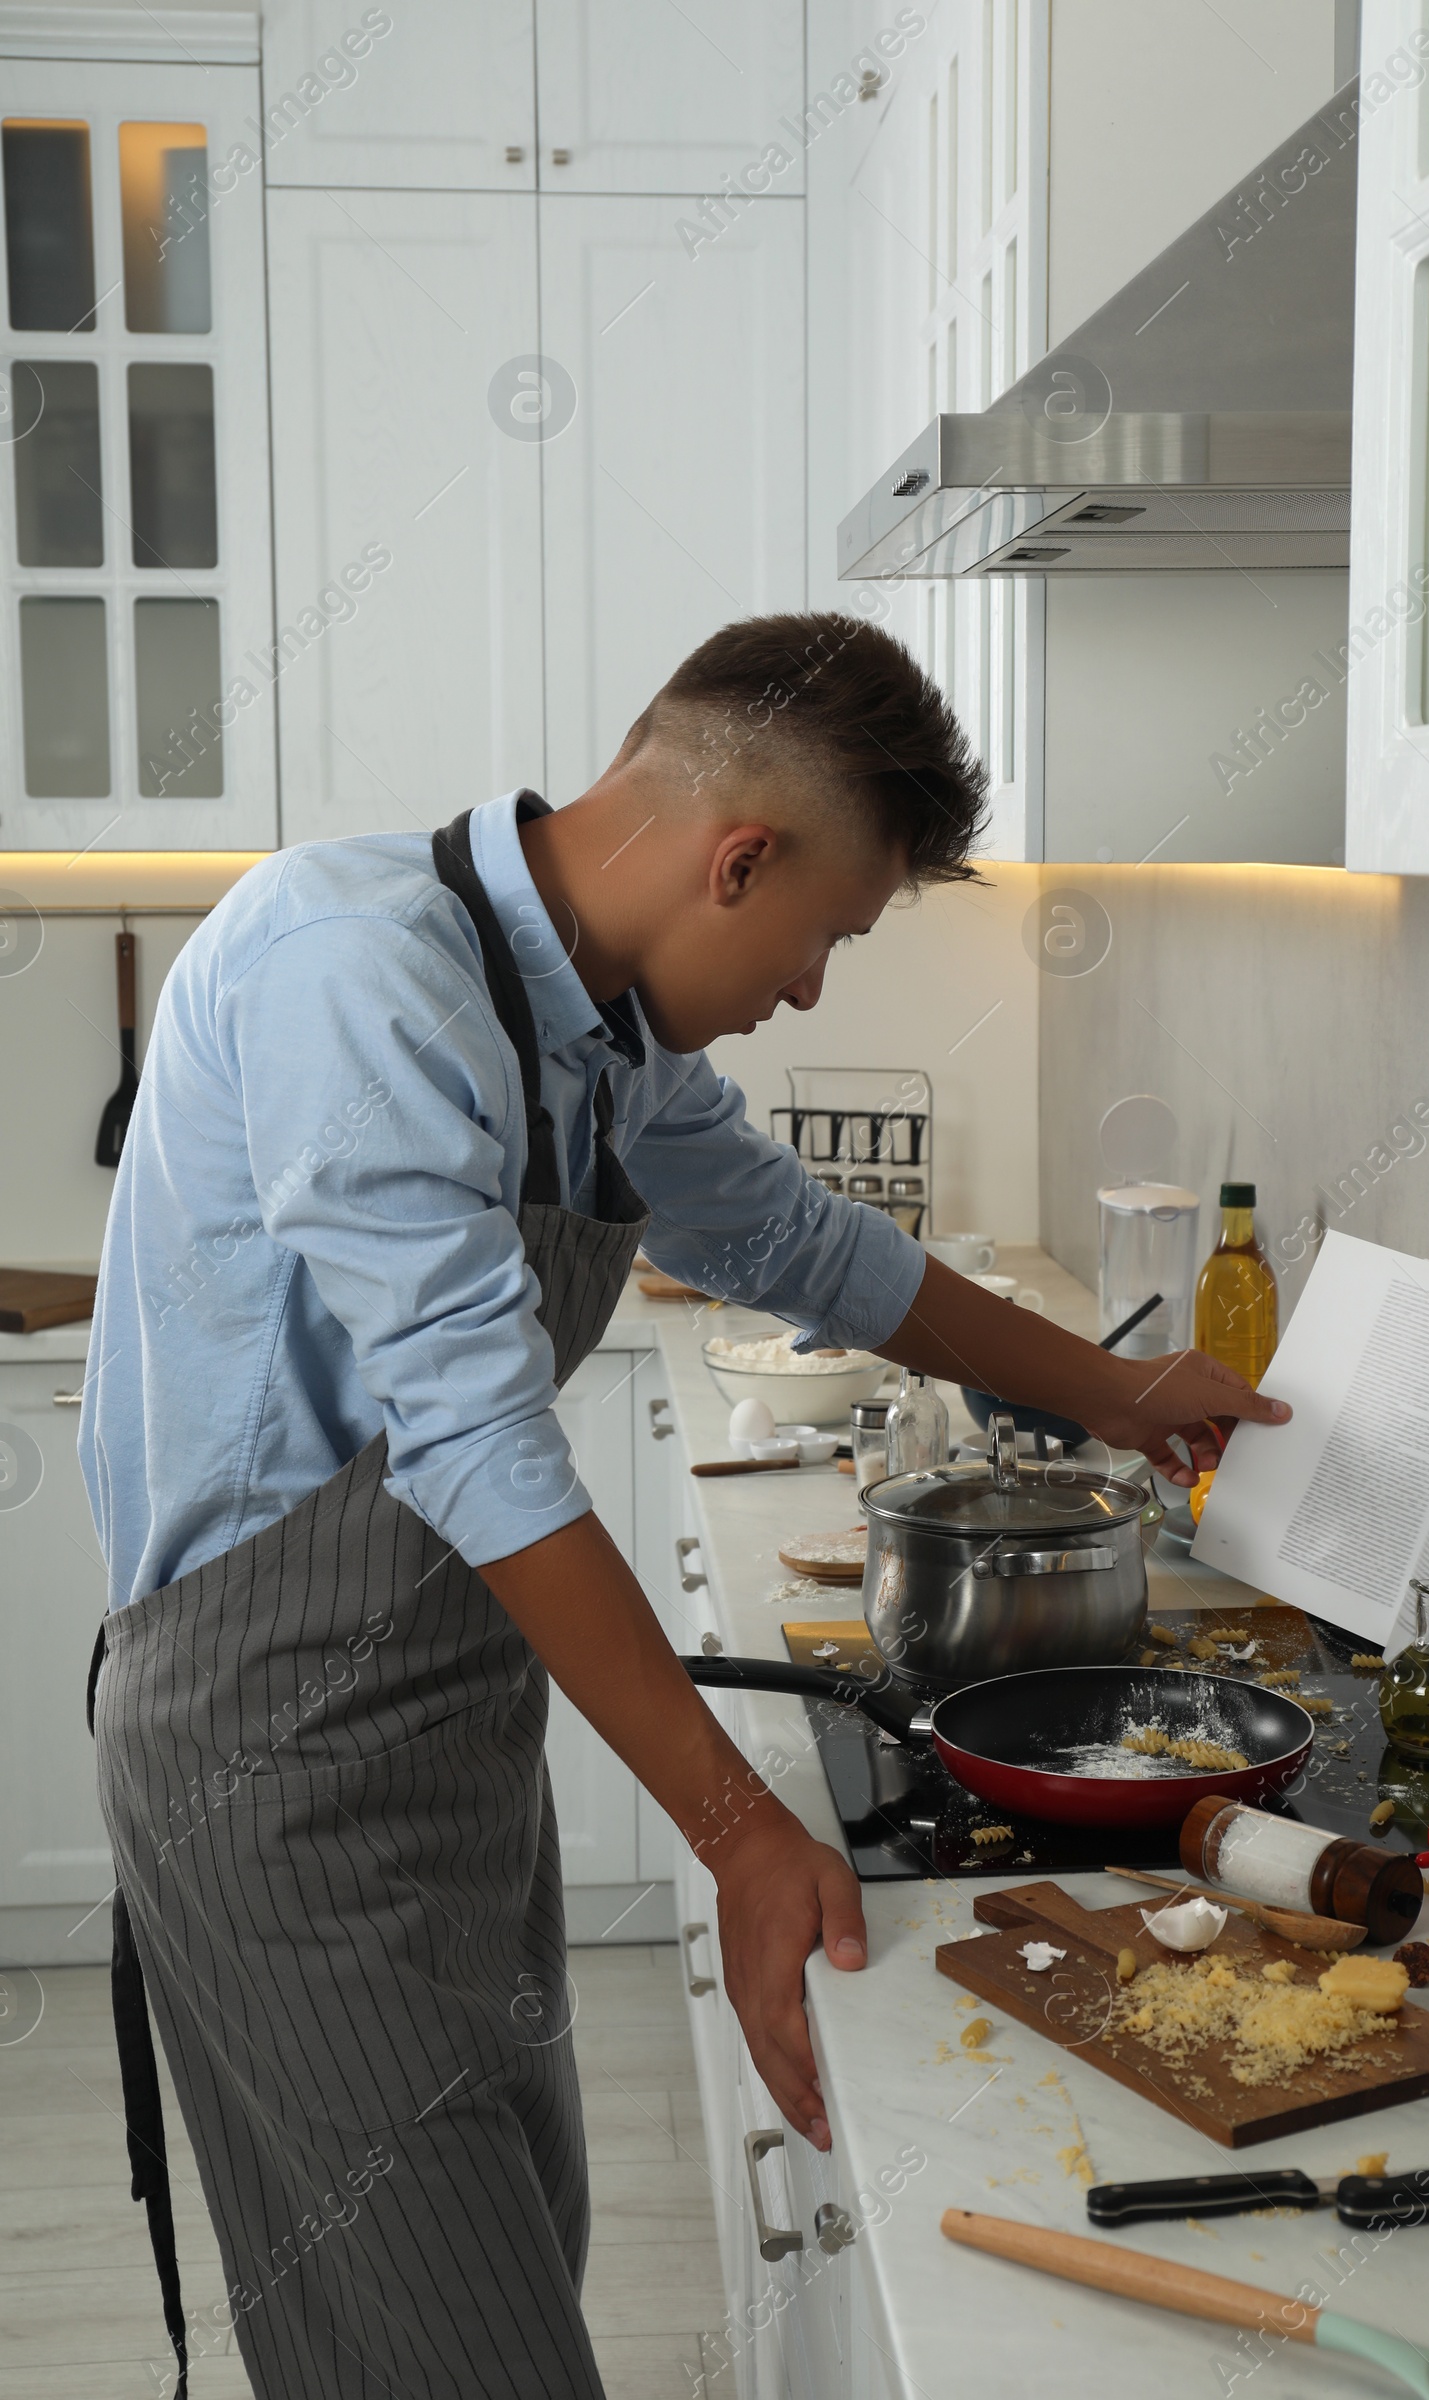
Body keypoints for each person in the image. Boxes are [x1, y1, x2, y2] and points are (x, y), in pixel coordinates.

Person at [80, 611, 1289, 2399]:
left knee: (494, 2271)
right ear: (742, 858)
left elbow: (803, 1245)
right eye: (830, 935)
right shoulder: (355, 966)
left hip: (449, 1726)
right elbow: (477, 1448)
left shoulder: (602, 1035)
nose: (811, 987)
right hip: (270, 1764)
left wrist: (1121, 1390)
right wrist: (736, 1829)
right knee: (438, 2349)